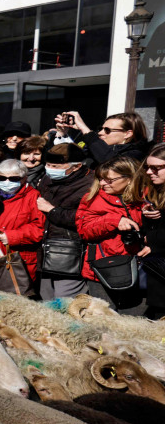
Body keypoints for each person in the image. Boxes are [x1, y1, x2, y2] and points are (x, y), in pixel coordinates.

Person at [76, 156, 146, 310]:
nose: (102, 184)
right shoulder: (92, 198)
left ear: (129, 179)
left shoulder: (144, 198)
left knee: (134, 320)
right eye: (100, 179)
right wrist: (114, 220)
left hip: (137, 266)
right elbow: (84, 231)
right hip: (102, 268)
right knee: (103, 320)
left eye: (109, 180)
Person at [35, 143, 94, 299]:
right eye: (48, 165)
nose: (50, 169)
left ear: (76, 167)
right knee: (46, 299)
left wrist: (52, 211)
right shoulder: (47, 179)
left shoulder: (91, 184)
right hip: (44, 248)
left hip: (69, 252)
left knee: (66, 301)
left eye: (56, 166)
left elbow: (86, 218)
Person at [0, 159, 45, 283]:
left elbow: (39, 228)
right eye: (2, 178)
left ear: (24, 178)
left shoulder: (33, 196)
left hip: (19, 258)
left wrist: (12, 236)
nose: (7, 182)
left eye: (13, 179)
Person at [57, 111, 149, 165]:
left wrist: (85, 130)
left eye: (107, 130)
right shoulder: (95, 148)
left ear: (127, 134)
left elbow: (110, 162)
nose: (100, 133)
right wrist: (62, 134)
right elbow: (62, 160)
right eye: (101, 129)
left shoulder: (137, 154)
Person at [138, 144, 165, 318]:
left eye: (156, 168)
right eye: (148, 167)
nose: (149, 172)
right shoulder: (155, 193)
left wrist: (152, 241)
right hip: (158, 274)